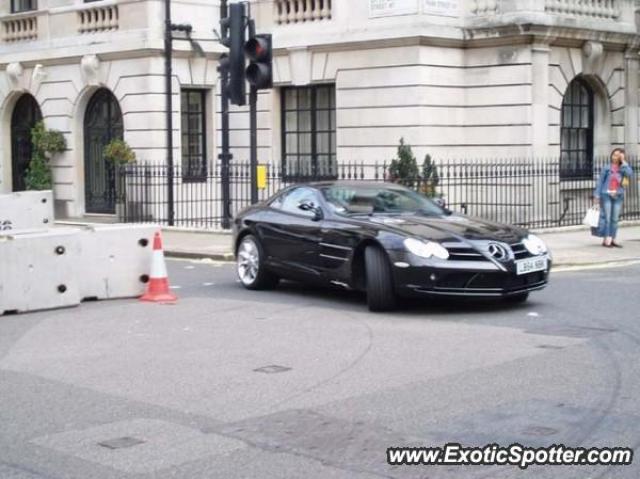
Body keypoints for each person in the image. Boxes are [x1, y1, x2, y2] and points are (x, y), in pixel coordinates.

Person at [593, 148, 633, 247]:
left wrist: (623, 161)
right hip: (606, 195)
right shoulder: (606, 168)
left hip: (618, 195)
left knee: (614, 219)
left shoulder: (623, 168)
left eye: (618, 155)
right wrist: (597, 195)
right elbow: (600, 182)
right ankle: (607, 240)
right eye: (614, 155)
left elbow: (630, 174)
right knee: (607, 218)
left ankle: (613, 239)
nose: (615, 157)